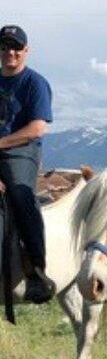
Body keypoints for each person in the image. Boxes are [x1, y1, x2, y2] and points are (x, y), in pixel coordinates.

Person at [0, 25, 55, 304]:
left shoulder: (35, 83)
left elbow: (36, 128)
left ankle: (36, 272)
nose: (9, 52)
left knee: (21, 194)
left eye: (15, 47)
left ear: (26, 51)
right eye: (5, 46)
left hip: (21, 151)